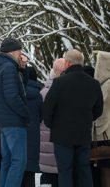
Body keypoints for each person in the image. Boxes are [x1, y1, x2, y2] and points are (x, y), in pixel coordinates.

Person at [43, 49, 104, 187]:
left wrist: (53, 124)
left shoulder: (59, 83)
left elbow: (47, 109)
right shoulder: (94, 84)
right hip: (83, 134)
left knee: (65, 171)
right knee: (84, 170)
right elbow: (98, 110)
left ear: (67, 63)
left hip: (62, 135)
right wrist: (87, 119)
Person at [0, 37, 29, 187]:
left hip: (2, 120)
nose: (21, 53)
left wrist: (23, 69)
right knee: (19, 161)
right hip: (14, 121)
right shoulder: (9, 68)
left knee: (7, 160)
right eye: (19, 50)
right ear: (13, 51)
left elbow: (19, 87)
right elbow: (13, 96)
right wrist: (25, 112)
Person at [38, 58, 67, 187]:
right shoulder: (67, 93)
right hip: (61, 143)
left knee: (48, 177)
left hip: (44, 145)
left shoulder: (43, 92)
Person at [22, 66, 43, 187]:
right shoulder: (38, 95)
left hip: (19, 131)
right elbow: (42, 116)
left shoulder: (19, 92)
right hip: (34, 133)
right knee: (31, 168)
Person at [92, 51, 110, 186]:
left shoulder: (107, 85)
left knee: (106, 170)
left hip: (106, 136)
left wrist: (96, 129)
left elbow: (102, 112)